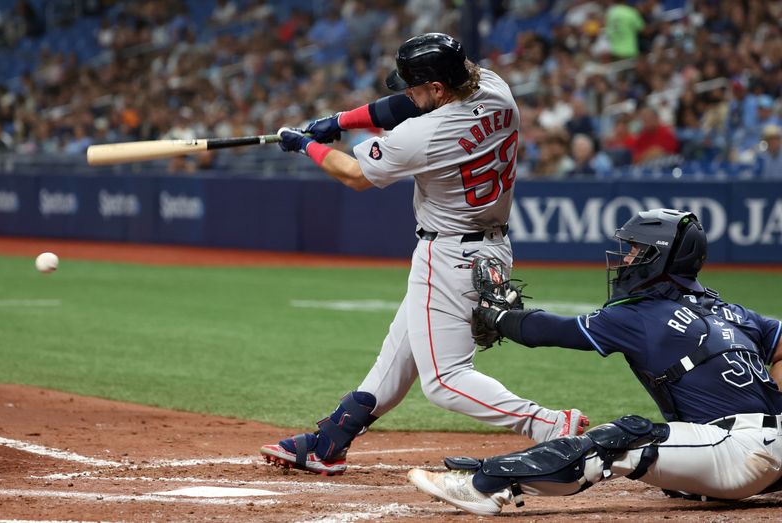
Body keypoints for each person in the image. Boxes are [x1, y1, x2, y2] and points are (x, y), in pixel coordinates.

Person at [260, 32, 589, 476]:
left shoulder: (427, 133)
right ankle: (329, 442)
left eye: (416, 86)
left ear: (437, 89)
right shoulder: (495, 87)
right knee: (398, 356)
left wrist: (307, 146)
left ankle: (549, 425)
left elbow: (356, 174)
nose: (407, 93)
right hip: (489, 248)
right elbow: (404, 106)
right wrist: (343, 120)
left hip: (449, 253)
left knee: (445, 381)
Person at [408, 208, 782, 515]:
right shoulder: (731, 311)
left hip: (737, 452)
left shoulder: (645, 314)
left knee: (624, 437)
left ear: (662, 259)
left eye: (638, 251)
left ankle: (486, 485)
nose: (626, 259)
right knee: (674, 465)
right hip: (767, 443)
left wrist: (500, 317)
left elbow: (554, 332)